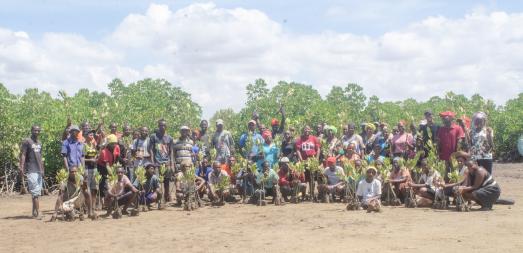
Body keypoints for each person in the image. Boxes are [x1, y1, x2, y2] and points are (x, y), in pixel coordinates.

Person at [19, 125, 44, 218]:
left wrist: (42, 169)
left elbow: (40, 158)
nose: (36, 132)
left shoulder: (40, 143)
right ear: (31, 131)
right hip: (31, 169)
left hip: (39, 170)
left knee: (36, 193)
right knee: (35, 193)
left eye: (38, 131)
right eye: (35, 130)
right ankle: (38, 213)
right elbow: (23, 154)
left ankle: (34, 213)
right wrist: (21, 167)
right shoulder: (27, 141)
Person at [149, 119, 174, 202]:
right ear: (158, 126)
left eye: (164, 125)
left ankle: (167, 195)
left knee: (166, 180)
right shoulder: (153, 136)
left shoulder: (169, 138)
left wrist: (171, 163)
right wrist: (152, 162)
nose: (162, 127)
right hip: (156, 163)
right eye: (160, 125)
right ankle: (159, 198)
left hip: (166, 163)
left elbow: (171, 151)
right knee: (157, 181)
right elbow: (151, 150)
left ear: (166, 127)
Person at [436, 111, 465, 180]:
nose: (443, 120)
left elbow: (460, 141)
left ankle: (454, 189)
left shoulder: (458, 128)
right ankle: (445, 189)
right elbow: (438, 142)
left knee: (454, 174)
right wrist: (437, 152)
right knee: (444, 175)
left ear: (451, 119)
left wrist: (457, 155)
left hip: (454, 156)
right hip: (443, 156)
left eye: (445, 119)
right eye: (443, 119)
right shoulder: (441, 129)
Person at [83, 130, 99, 210]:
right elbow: (82, 158)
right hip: (87, 168)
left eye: (92, 135)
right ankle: (87, 207)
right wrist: (90, 160)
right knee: (87, 188)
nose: (92, 136)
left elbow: (96, 154)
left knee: (94, 188)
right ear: (85, 136)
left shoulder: (93, 145)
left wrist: (96, 158)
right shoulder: (84, 145)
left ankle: (93, 206)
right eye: (90, 135)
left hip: (94, 168)